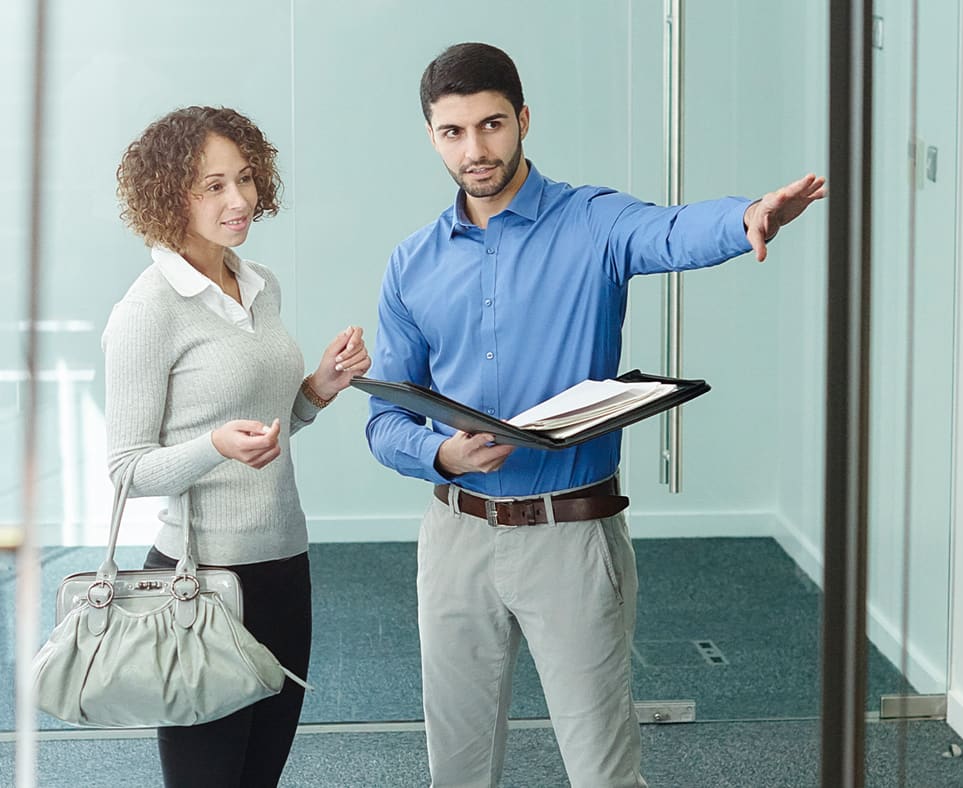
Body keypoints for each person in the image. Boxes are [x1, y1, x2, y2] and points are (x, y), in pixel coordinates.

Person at [364, 42, 827, 787]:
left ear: (523, 119)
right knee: (456, 770)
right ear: (431, 136)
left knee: (603, 772)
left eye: (491, 125)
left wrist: (747, 217)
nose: (476, 149)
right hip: (453, 539)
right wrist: (441, 456)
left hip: (570, 538)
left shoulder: (591, 221)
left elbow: (669, 230)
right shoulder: (411, 263)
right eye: (454, 132)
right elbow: (386, 419)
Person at [104, 105, 370, 788]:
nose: (239, 199)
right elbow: (128, 470)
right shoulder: (148, 309)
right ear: (170, 194)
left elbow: (270, 427)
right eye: (212, 185)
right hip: (201, 582)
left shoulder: (259, 286)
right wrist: (215, 447)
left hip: (284, 565)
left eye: (245, 179)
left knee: (260, 776)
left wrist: (318, 388)